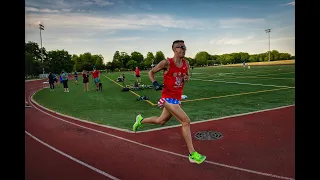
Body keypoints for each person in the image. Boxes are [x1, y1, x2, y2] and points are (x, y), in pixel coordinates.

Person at [132, 40, 206, 164]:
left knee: (161, 121)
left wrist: (186, 78)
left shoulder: (186, 63)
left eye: (184, 46)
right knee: (185, 121)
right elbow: (151, 72)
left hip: (176, 98)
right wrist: (155, 83)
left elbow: (186, 77)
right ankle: (192, 154)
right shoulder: (166, 62)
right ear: (174, 49)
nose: (184, 49)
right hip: (167, 97)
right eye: (181, 47)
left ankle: (141, 120)